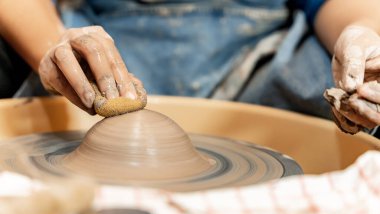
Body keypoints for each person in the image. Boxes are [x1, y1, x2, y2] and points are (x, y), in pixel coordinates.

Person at [0, 0, 380, 134]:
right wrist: (51, 45)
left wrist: (361, 31)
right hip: (106, 48)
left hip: (258, 64)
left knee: (363, 82)